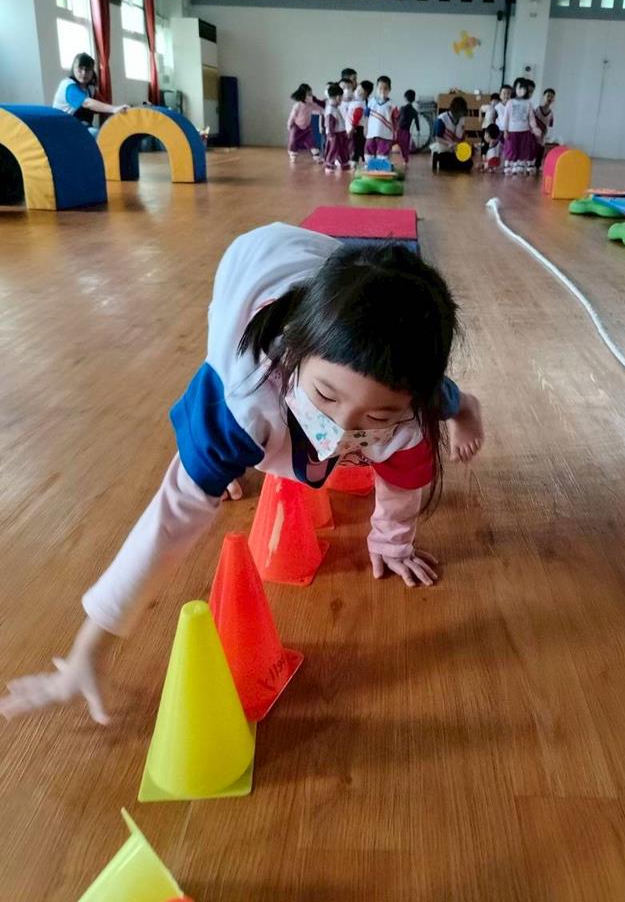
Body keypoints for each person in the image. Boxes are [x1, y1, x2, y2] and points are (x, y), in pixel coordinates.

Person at [0, 224, 484, 723]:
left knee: (415, 389)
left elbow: (404, 477)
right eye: (325, 396)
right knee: (211, 454)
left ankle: (466, 404)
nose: (341, 429)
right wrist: (89, 648)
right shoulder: (241, 397)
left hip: (342, 286)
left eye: (377, 415)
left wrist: (392, 543)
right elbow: (170, 520)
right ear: (294, 355)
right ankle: (226, 461)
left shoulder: (410, 415)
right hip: (255, 257)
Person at [52, 52, 129, 133]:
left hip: (80, 126)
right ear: (73, 69)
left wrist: (122, 111)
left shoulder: (90, 89)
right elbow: (87, 103)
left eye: (88, 69)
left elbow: (103, 105)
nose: (84, 73)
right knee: (96, 135)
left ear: (92, 71)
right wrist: (114, 109)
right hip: (62, 129)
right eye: (80, 69)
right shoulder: (68, 86)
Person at [502, 77, 537, 176]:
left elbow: (531, 118)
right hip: (512, 131)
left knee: (522, 148)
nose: (522, 90)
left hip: (525, 131)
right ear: (515, 89)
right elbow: (506, 117)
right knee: (511, 148)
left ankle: (519, 166)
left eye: (524, 88)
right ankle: (509, 165)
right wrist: (505, 130)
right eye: (519, 88)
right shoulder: (510, 102)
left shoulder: (528, 103)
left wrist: (534, 128)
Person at [432, 96, 472, 173]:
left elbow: (462, 136)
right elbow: (437, 138)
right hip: (444, 150)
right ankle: (437, 157)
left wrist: (464, 146)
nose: (461, 115)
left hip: (456, 151)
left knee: (469, 164)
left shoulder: (462, 119)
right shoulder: (442, 119)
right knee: (447, 164)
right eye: (460, 113)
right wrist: (449, 143)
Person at [287, 83, 324, 162]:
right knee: (293, 140)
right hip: (296, 127)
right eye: (309, 94)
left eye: (311, 94)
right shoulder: (298, 105)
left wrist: (324, 111)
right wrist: (289, 124)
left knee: (311, 141)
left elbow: (319, 109)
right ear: (303, 95)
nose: (311, 96)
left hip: (307, 128)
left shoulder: (311, 105)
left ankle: (316, 156)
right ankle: (292, 154)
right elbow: (292, 116)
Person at [365, 76, 398, 161]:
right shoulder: (371, 102)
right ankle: (370, 166)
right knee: (369, 153)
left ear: (389, 89)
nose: (382, 91)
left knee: (383, 155)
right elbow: (366, 115)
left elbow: (396, 119)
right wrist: (365, 127)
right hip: (371, 133)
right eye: (380, 88)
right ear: (376, 89)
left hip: (386, 134)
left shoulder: (392, 104)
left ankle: (381, 166)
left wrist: (395, 131)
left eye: (385, 88)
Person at [323, 84, 352, 172]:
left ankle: (344, 164)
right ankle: (329, 165)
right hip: (335, 135)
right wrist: (331, 135)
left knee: (342, 149)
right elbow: (329, 123)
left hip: (340, 133)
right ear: (338, 97)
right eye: (341, 97)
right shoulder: (330, 110)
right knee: (333, 150)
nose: (342, 99)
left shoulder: (334, 108)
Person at [532, 88, 556, 175]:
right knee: (533, 148)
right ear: (543, 97)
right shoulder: (537, 109)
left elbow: (550, 125)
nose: (549, 98)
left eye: (552, 97)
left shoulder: (551, 113)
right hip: (535, 133)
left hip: (543, 134)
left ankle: (537, 166)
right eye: (548, 96)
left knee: (540, 149)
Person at [396, 89, 420, 166]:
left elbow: (397, 118)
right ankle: (405, 161)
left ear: (405, 98)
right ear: (414, 99)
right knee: (405, 147)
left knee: (393, 143)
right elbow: (417, 121)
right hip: (406, 131)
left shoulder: (402, 108)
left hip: (399, 130)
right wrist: (418, 129)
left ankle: (384, 156)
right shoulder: (414, 111)